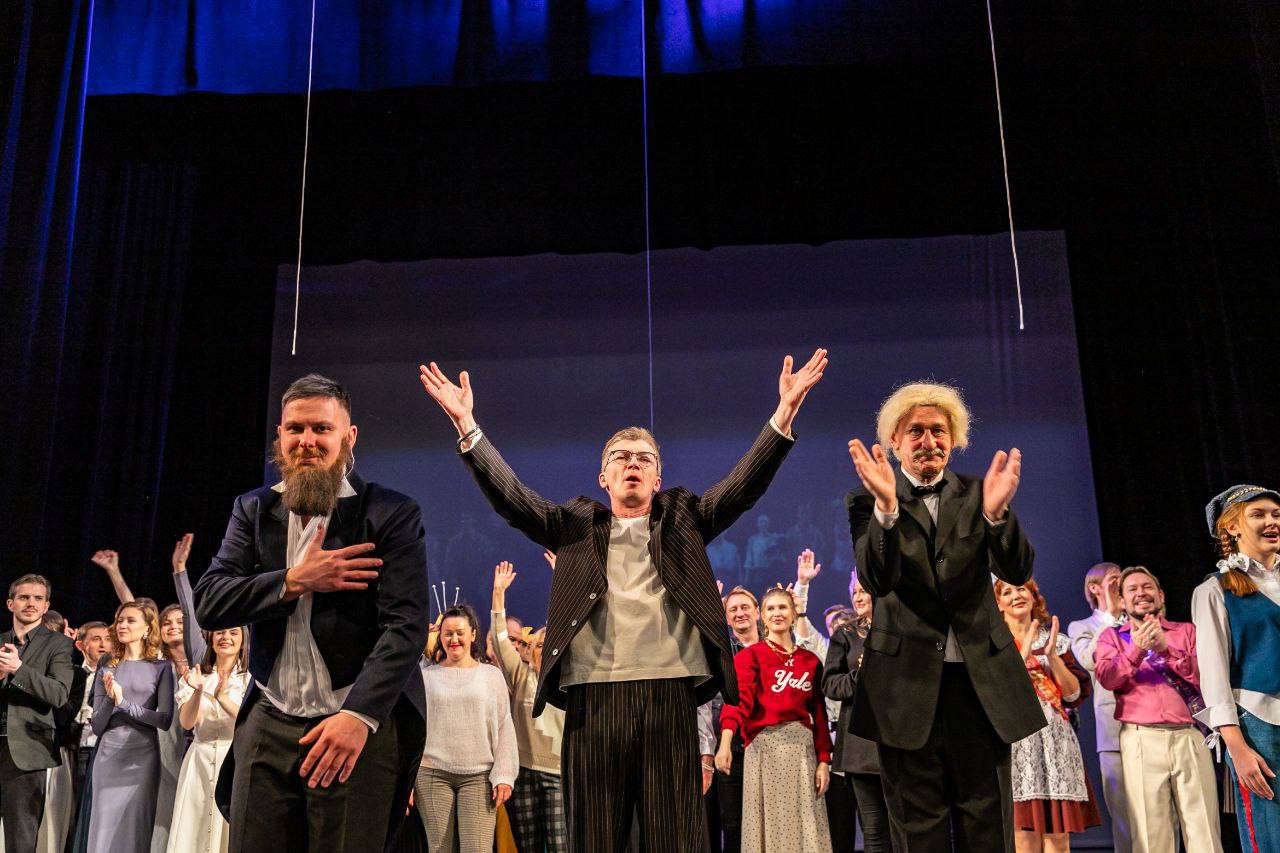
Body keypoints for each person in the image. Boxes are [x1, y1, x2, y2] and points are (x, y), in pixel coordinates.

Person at [417, 349, 825, 852]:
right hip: (592, 699)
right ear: (603, 478)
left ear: (657, 479)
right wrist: (468, 426)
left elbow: (742, 488)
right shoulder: (574, 525)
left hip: (668, 694)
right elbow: (514, 499)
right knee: (594, 838)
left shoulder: (684, 518)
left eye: (644, 458)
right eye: (620, 457)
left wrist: (783, 415)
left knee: (676, 840)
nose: (633, 462)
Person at [193, 374, 429, 851]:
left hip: (351, 721)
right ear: (279, 436)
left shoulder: (389, 512)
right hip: (268, 718)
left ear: (349, 436)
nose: (307, 441)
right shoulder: (253, 510)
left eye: (322, 428)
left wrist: (358, 716)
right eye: (295, 429)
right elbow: (210, 601)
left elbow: (406, 628)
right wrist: (295, 580)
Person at [845, 381, 1043, 852]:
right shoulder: (868, 499)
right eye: (915, 431)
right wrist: (887, 510)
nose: (928, 441)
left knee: (988, 829)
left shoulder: (979, 492)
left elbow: (1017, 571)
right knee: (917, 834)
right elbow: (876, 580)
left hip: (980, 688)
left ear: (954, 440)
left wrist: (996, 517)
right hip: (904, 692)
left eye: (938, 430)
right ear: (895, 441)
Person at [1094, 566, 1222, 853]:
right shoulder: (1111, 638)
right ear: (1122, 601)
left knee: (1204, 830)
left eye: (1147, 587)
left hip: (1189, 735)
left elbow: (1206, 677)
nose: (1141, 593)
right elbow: (1108, 678)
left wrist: (1166, 651)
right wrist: (1136, 649)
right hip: (1141, 738)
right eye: (1132, 589)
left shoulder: (1186, 632)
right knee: (1152, 836)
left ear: (1161, 595)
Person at [1193, 485, 1280, 852]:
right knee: (1271, 835)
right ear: (1231, 527)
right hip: (1260, 725)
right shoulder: (1215, 590)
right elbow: (1214, 677)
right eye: (1258, 515)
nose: (1272, 521)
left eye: (1276, 514)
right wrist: (1237, 747)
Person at [716, 587, 832, 852]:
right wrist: (725, 743)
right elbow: (737, 703)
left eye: (783, 607)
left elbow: (820, 715)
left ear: (793, 615)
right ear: (763, 617)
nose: (777, 613)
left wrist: (824, 760)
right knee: (772, 825)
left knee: (805, 823)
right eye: (771, 608)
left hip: (802, 752)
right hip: (765, 749)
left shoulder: (810, 661)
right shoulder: (750, 656)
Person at [995, 579, 1100, 851]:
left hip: (1055, 743)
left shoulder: (1056, 640)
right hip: (1017, 746)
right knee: (1023, 836)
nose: (1016, 595)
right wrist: (1024, 650)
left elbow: (1073, 695)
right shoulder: (994, 645)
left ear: (1033, 597)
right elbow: (999, 690)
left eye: (1022, 589)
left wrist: (1052, 657)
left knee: (1058, 836)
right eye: (1007, 592)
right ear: (998, 604)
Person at [417, 605, 518, 853]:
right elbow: (414, 731)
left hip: (479, 777)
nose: (454, 639)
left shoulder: (491, 675)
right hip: (432, 775)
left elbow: (504, 725)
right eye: (448, 633)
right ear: (440, 637)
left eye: (460, 633)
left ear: (473, 634)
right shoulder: (426, 677)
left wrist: (504, 775)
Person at [86, 601, 174, 853]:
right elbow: (97, 726)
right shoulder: (108, 665)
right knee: (103, 827)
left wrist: (124, 704)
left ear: (147, 629)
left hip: (142, 758)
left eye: (130, 620)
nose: (122, 625)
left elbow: (164, 720)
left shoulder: (161, 667)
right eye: (120, 620)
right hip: (108, 757)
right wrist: (111, 700)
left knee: (136, 826)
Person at [490, 562, 566, 853]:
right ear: (530, 648)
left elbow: (578, 623)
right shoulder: (521, 674)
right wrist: (498, 594)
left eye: (551, 643)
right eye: (539, 644)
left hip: (557, 773)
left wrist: (566, 579)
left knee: (560, 847)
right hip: (522, 772)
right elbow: (499, 639)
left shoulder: (567, 678)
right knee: (527, 847)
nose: (545, 648)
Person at [0, 574, 75, 853]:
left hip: (26, 750)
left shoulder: (58, 644)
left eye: (38, 598)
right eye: (24, 597)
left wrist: (18, 669)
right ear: (11, 604)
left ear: (46, 606)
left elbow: (58, 694)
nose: (31, 603)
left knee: (20, 839)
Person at [821, 572, 892, 853]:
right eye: (855, 592)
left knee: (905, 827)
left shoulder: (902, 630)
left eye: (864, 591)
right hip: (861, 748)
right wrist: (860, 673)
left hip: (901, 742)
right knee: (874, 831)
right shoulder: (846, 635)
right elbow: (830, 685)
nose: (858, 598)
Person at [166, 627, 249, 853]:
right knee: (194, 825)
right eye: (220, 633)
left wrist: (222, 698)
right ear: (211, 639)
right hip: (199, 760)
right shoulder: (197, 676)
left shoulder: (250, 679)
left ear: (243, 640)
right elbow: (187, 722)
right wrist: (198, 691)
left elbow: (248, 722)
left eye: (233, 633)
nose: (226, 638)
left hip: (234, 760)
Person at [1065, 562, 1130, 853]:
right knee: (1125, 815)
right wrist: (1112, 618)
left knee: (1162, 812)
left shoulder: (1139, 619)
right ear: (1094, 588)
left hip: (1153, 726)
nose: (1120, 585)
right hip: (1115, 731)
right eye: (1114, 580)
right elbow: (1089, 660)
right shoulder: (1082, 627)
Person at [711, 587, 764, 853]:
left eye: (745, 607)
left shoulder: (776, 647)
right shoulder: (720, 654)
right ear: (726, 619)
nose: (740, 613)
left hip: (770, 747)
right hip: (733, 748)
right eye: (733, 609)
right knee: (734, 826)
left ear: (758, 612)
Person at [67, 622, 109, 852]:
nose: (103, 644)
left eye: (107, 638)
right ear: (81, 645)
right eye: (96, 639)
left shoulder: (115, 674)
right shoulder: (72, 674)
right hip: (78, 750)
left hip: (105, 750)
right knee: (75, 809)